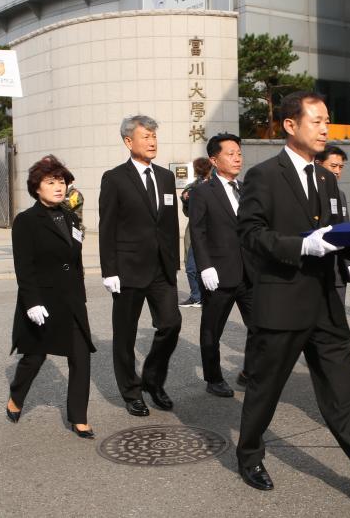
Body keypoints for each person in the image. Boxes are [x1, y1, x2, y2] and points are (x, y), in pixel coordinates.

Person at [237, 91, 350, 505]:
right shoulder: (263, 176)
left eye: (328, 121)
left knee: (343, 395)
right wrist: (302, 246)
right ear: (290, 125)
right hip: (282, 304)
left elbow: (337, 232)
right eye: (317, 120)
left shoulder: (326, 177)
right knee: (265, 390)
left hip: (325, 304)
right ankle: (248, 454)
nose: (325, 128)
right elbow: (250, 236)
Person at [7, 155, 96, 439]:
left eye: (62, 182)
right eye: (51, 182)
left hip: (71, 300)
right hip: (42, 301)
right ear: (37, 188)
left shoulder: (70, 216)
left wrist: (80, 292)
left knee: (81, 356)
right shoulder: (26, 221)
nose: (58, 187)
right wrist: (32, 301)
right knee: (34, 356)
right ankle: (16, 397)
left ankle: (78, 417)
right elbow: (24, 266)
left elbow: (75, 258)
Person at [99, 115, 181, 416]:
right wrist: (109, 271)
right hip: (128, 269)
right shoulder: (115, 178)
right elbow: (106, 227)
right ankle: (131, 391)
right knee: (125, 336)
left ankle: (153, 380)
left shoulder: (165, 177)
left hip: (161, 268)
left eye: (154, 136)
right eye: (145, 136)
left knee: (171, 324)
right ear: (128, 141)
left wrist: (173, 262)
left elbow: (169, 224)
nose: (152, 141)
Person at [188, 133, 254, 397]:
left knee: (260, 326)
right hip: (218, 273)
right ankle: (213, 379)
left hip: (249, 273)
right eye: (230, 153)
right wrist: (205, 266)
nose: (237, 157)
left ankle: (250, 371)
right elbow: (198, 230)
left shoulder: (246, 189)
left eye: (239, 152)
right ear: (214, 160)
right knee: (211, 330)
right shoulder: (202, 192)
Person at [315, 145, 350, 302]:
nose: (337, 171)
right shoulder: (308, 195)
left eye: (340, 167)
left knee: (337, 318)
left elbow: (345, 227)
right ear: (317, 164)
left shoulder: (340, 194)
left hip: (338, 270)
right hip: (315, 270)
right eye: (333, 166)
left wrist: (349, 262)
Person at [179, 157, 212, 307]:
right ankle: (197, 296)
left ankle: (201, 296)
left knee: (198, 264)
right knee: (192, 265)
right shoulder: (192, 187)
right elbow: (188, 212)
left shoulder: (216, 184)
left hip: (210, 230)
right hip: (195, 229)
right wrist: (185, 199)